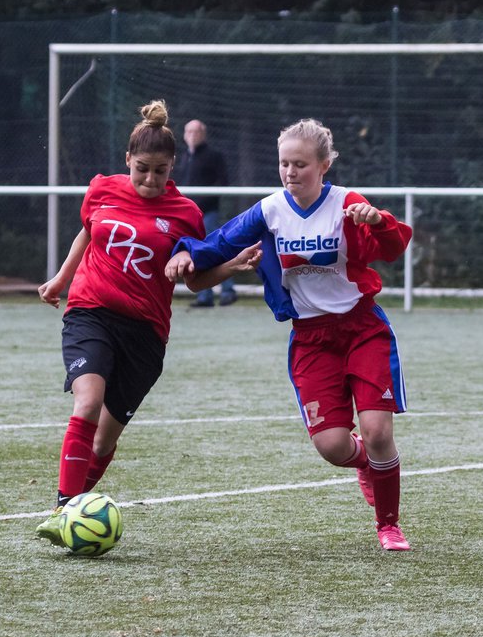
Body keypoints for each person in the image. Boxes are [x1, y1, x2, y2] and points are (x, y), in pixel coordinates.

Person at [165, 118, 415, 551]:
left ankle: (388, 524)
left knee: (378, 431)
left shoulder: (347, 204)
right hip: (311, 339)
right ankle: (362, 462)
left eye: (300, 164)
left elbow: (392, 248)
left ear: (323, 165)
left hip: (362, 329)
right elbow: (221, 242)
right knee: (333, 446)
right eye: (284, 163)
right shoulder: (270, 211)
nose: (290, 172)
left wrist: (377, 221)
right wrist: (184, 254)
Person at [34, 100, 258, 546]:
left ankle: (75, 508)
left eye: (159, 171)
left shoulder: (186, 214)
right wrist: (62, 278)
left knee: (102, 444)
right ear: (127, 162)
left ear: (173, 166)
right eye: (141, 170)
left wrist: (228, 266)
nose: (150, 180)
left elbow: (194, 281)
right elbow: (87, 230)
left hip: (146, 334)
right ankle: (64, 511)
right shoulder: (101, 189)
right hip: (91, 312)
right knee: (87, 403)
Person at [174, 118, 236, 307]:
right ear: (184, 135)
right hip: (188, 215)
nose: (192, 135)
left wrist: (203, 201)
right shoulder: (184, 157)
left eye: (196, 132)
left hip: (208, 213)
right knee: (194, 253)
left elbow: (223, 182)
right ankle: (204, 295)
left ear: (203, 134)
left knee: (215, 250)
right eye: (189, 132)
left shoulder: (213, 155)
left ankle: (228, 291)